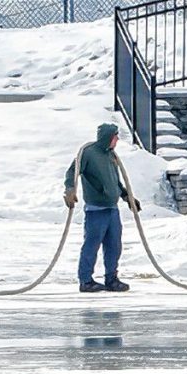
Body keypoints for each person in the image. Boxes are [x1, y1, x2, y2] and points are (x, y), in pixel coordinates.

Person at [63, 122, 139, 293]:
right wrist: (70, 190)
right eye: (115, 136)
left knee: (114, 245)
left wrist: (126, 195)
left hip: (112, 209)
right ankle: (86, 280)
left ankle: (111, 278)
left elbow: (115, 181)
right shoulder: (88, 153)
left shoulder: (111, 156)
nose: (117, 139)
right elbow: (72, 172)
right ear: (108, 137)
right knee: (92, 245)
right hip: (96, 210)